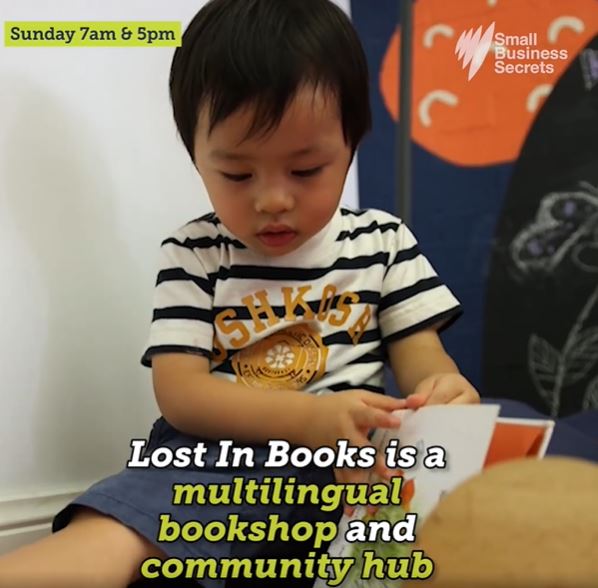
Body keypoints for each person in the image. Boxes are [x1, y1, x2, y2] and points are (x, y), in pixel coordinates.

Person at [0, 0, 479, 586]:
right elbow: (180, 392)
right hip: (219, 462)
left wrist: (442, 390)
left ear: (351, 143)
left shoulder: (383, 243)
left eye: (305, 171)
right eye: (237, 174)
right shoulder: (196, 254)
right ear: (197, 158)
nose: (272, 199)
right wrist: (305, 421)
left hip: (355, 469)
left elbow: (421, 355)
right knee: (118, 527)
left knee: (455, 534)